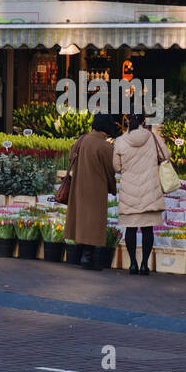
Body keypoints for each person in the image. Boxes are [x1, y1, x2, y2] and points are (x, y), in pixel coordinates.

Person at [113, 112, 173, 274]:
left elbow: (117, 167)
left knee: (131, 229)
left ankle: (132, 264)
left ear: (127, 120)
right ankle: (145, 265)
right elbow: (166, 155)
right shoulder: (153, 138)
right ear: (144, 121)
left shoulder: (120, 141)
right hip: (150, 189)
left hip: (129, 191)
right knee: (148, 229)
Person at [65, 113, 118, 270]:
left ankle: (81, 255)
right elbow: (111, 170)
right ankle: (89, 258)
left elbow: (70, 156)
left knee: (82, 220)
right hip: (96, 188)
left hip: (78, 186)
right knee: (94, 223)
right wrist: (112, 186)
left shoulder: (82, 140)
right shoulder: (105, 146)